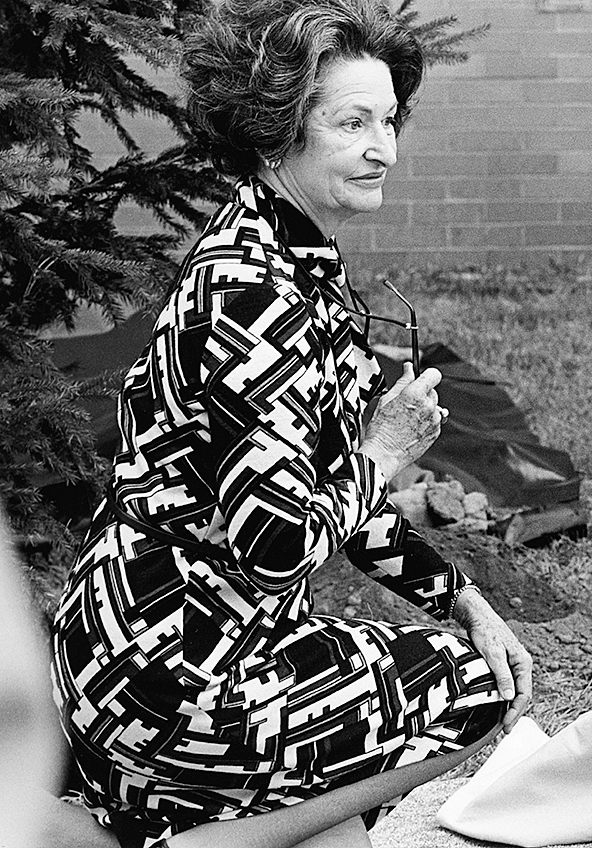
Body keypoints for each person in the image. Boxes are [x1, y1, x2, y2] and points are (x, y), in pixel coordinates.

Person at [50, 2, 532, 846]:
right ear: (278, 131)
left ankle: (196, 819)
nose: (384, 147)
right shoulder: (253, 295)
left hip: (144, 643)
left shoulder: (283, 253)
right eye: (352, 123)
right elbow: (275, 547)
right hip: (172, 672)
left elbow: (324, 493)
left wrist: (462, 597)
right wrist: (381, 452)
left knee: (343, 824)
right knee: (476, 690)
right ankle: (206, 838)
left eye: (388, 121)